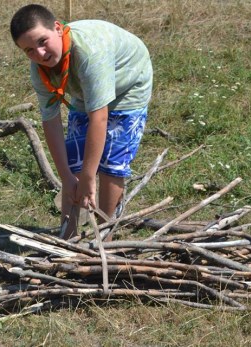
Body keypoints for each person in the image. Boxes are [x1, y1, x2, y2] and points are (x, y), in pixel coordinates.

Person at [10, 4, 153, 240]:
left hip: (128, 84)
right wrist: (67, 175)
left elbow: (100, 117)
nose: (40, 54)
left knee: (111, 160)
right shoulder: (40, 69)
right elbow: (51, 120)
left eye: (42, 41)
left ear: (57, 28)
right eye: (29, 50)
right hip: (86, 88)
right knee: (75, 158)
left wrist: (89, 177)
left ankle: (103, 237)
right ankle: (68, 238)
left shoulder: (90, 53)